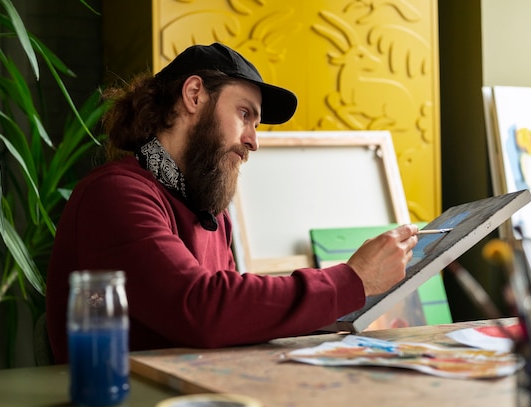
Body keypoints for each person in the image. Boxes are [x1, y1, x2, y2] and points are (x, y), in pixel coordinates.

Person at [46, 42, 419, 364]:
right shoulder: (114, 193)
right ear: (194, 95)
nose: (253, 141)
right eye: (245, 115)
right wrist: (352, 280)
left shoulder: (207, 210)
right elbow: (202, 310)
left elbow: (235, 314)